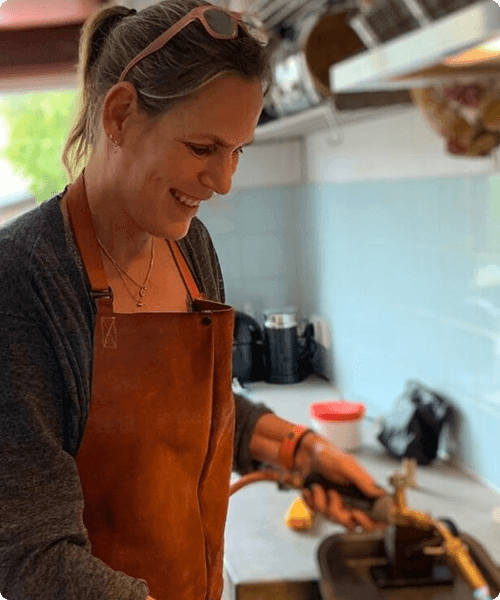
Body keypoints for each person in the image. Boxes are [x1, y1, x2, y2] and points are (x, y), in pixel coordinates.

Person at [0, 2, 386, 600]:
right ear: (121, 115)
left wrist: (296, 449)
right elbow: (33, 557)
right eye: (204, 147)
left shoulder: (191, 248)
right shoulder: (25, 278)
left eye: (238, 150)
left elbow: (189, 414)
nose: (224, 182)